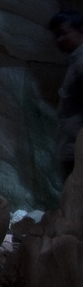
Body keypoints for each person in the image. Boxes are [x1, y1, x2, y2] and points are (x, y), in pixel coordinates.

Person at [49, 10, 83, 179]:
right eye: (56, 36)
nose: (59, 40)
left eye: (64, 34)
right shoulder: (75, 61)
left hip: (76, 149)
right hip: (71, 146)